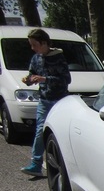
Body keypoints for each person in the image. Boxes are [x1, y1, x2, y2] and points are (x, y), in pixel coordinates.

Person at [20, 28, 71, 177]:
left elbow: (66, 80)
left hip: (59, 100)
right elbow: (32, 75)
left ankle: (65, 165)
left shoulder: (58, 57)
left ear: (44, 43)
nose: (33, 48)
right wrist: (28, 80)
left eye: (34, 45)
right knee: (39, 131)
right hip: (44, 100)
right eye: (31, 45)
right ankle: (36, 164)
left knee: (59, 133)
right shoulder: (36, 58)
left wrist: (45, 79)